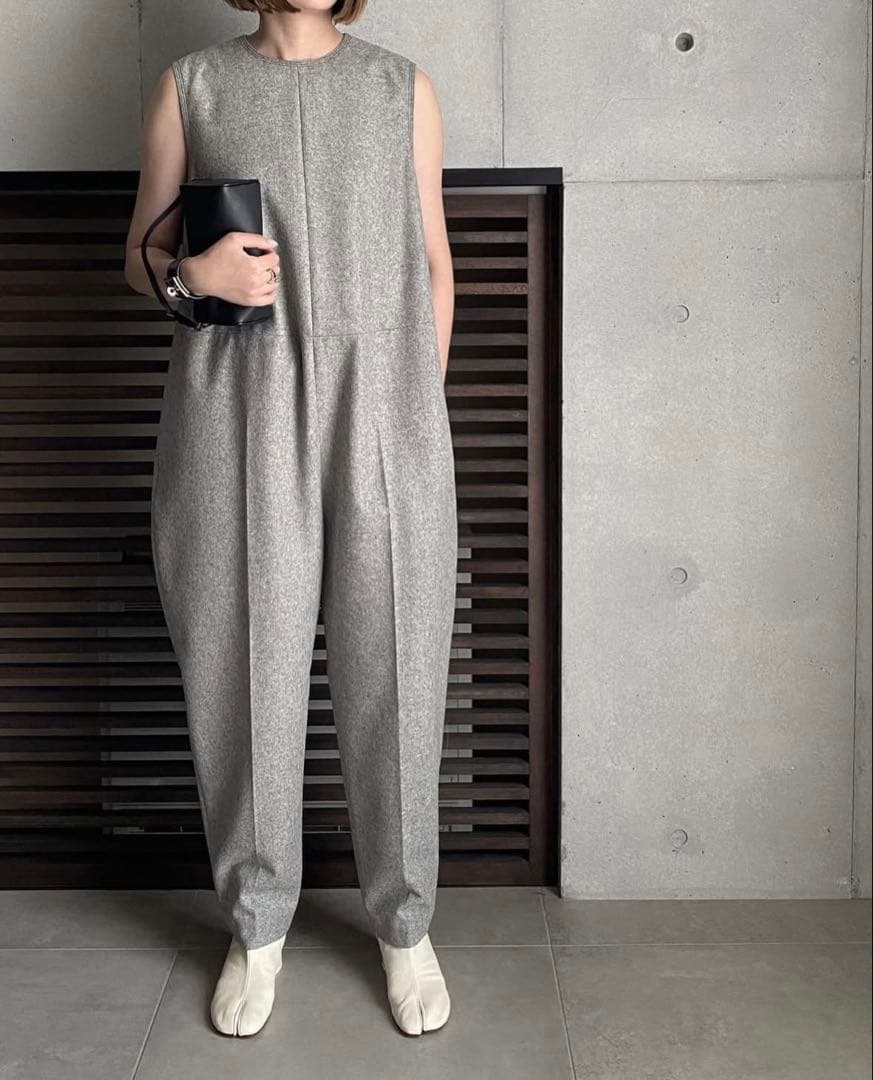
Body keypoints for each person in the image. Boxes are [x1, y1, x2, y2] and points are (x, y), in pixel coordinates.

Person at [123, 0, 457, 1039]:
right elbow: (141, 252)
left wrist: (414, 411)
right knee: (242, 671)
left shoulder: (401, 87)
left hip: (382, 414)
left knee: (396, 667)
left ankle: (405, 924)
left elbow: (434, 260)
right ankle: (257, 924)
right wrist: (192, 275)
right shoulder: (192, 86)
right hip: (238, 415)